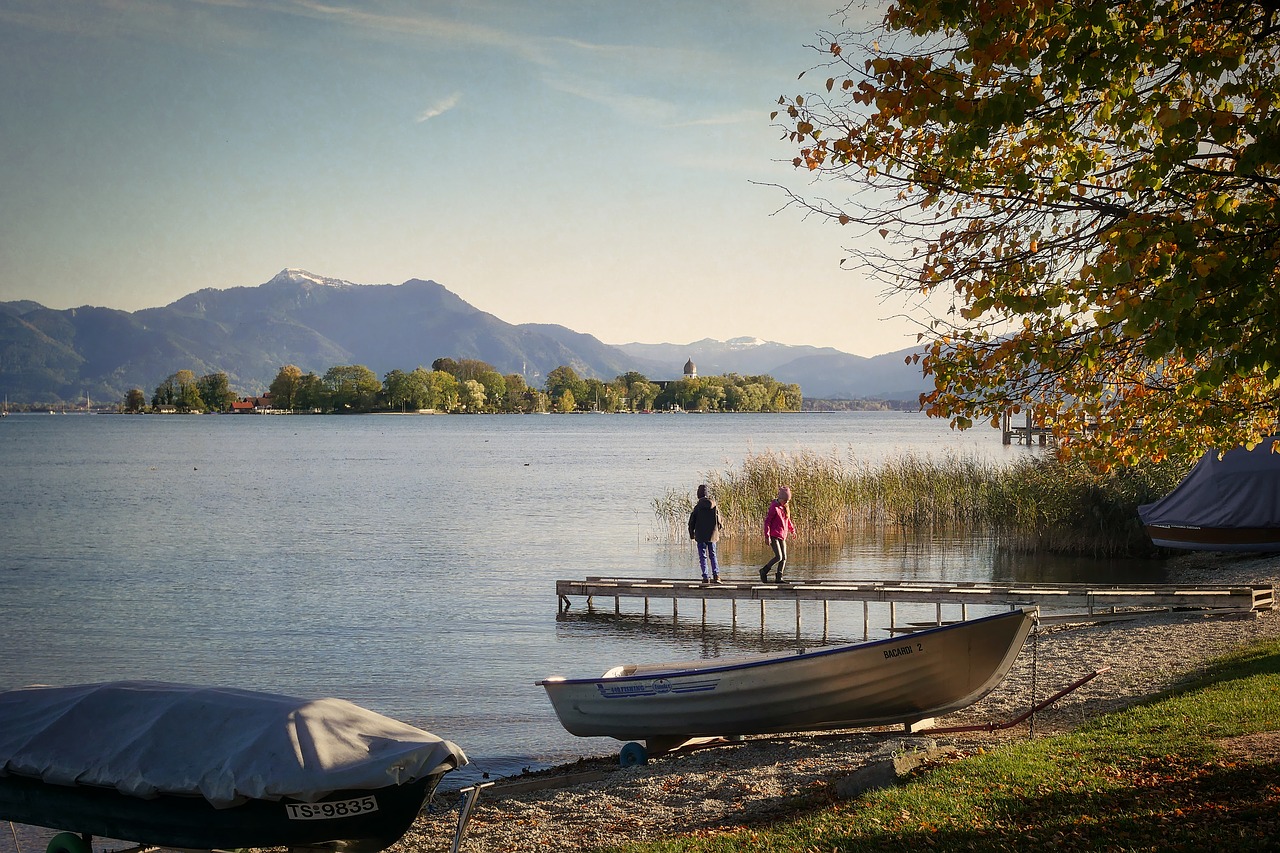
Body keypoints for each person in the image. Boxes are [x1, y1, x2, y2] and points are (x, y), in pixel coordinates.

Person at [687, 484, 724, 583]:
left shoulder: (697, 507)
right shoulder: (714, 505)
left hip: (700, 536)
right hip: (712, 535)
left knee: (702, 556)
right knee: (713, 555)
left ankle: (705, 577)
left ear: (698, 495)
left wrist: (692, 534)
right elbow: (719, 521)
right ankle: (716, 576)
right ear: (707, 494)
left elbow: (691, 522)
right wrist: (718, 530)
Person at [760, 485, 796, 583]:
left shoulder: (785, 507)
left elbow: (787, 520)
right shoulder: (774, 507)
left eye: (787, 501)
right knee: (778, 556)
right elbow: (767, 522)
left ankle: (779, 577)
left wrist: (792, 530)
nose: (786, 502)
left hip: (782, 535)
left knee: (784, 557)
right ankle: (764, 571)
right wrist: (767, 536)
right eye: (785, 500)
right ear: (780, 498)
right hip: (774, 535)